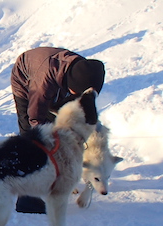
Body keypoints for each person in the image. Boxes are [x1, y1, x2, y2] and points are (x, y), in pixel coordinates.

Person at [10, 47, 105, 213]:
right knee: (32, 142)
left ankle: (57, 184)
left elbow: (85, 109)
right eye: (77, 94)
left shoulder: (87, 71)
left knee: (63, 133)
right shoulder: (42, 83)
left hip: (59, 85)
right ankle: (29, 201)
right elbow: (35, 116)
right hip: (26, 79)